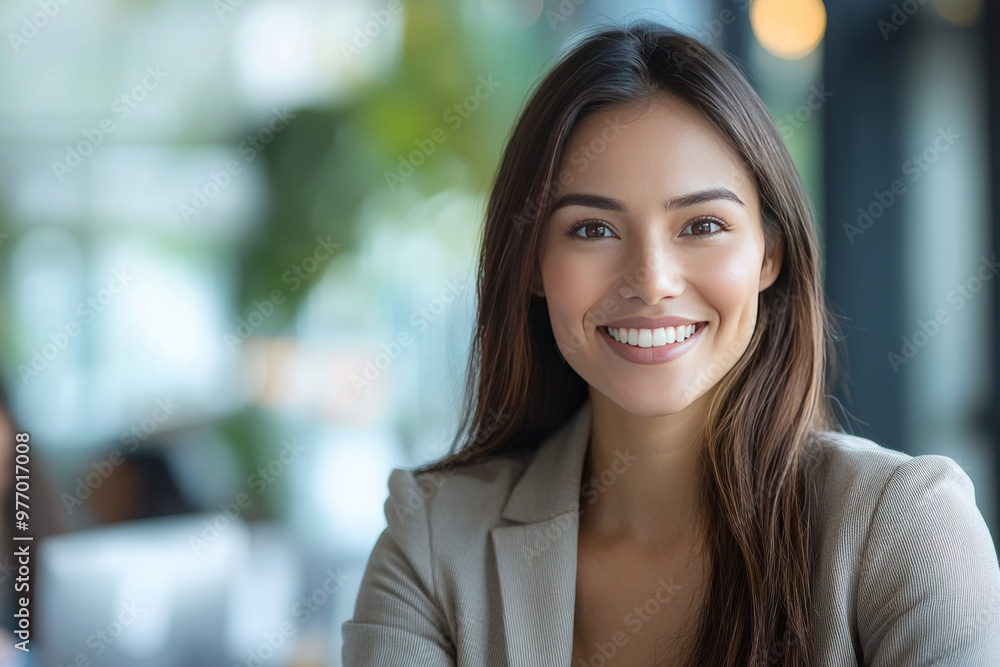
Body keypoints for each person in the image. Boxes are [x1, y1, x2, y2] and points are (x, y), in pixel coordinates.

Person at [341, 21, 1000, 666]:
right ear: (535, 264)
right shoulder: (431, 546)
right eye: (593, 230)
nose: (652, 282)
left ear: (769, 253)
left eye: (703, 224)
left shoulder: (908, 528)